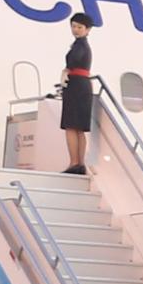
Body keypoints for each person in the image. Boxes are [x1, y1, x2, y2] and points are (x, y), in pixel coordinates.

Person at [55, 12, 97, 173]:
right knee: (79, 128)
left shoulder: (79, 45)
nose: (76, 30)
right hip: (83, 86)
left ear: (88, 30)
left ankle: (74, 162)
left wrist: (66, 70)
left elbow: (73, 61)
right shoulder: (82, 44)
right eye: (73, 26)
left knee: (71, 126)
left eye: (80, 27)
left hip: (76, 86)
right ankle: (80, 163)